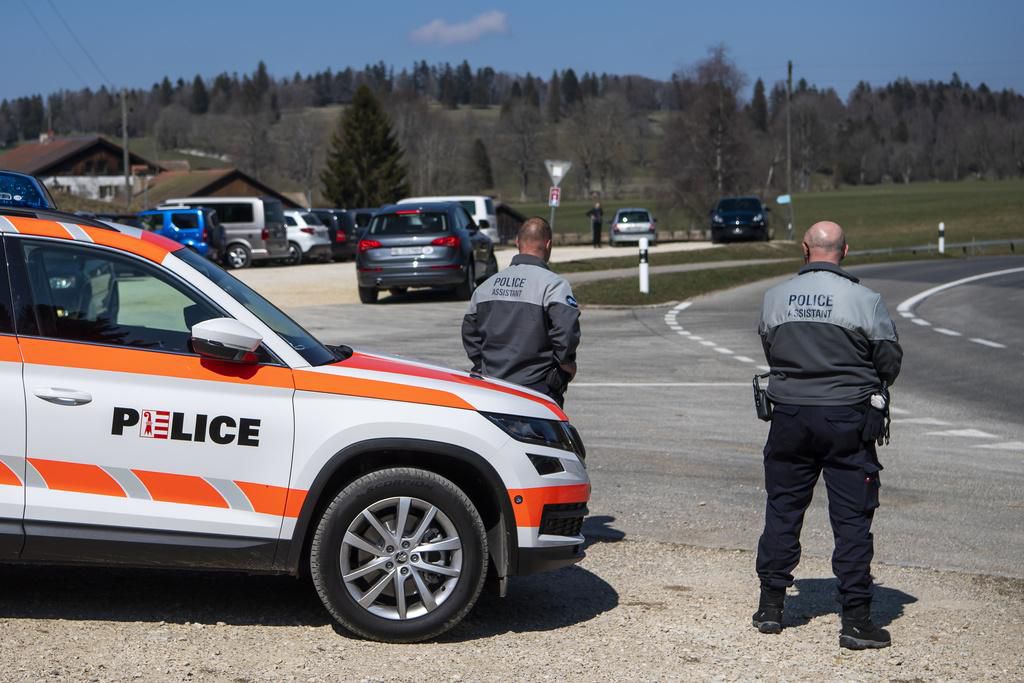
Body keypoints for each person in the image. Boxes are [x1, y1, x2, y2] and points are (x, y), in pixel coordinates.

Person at [753, 221, 902, 650]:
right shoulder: (865, 300)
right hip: (847, 419)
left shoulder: (774, 298)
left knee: (783, 507)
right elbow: (888, 361)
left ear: (804, 249)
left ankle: (771, 607)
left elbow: (771, 349)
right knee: (852, 518)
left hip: (790, 416)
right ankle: (855, 620)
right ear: (845, 251)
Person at [462, 217, 581, 407]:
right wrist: (566, 363)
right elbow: (566, 331)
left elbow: (469, 331)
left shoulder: (485, 287)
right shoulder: (554, 286)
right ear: (548, 244)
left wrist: (482, 365)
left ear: (517, 243)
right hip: (537, 388)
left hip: (492, 387)